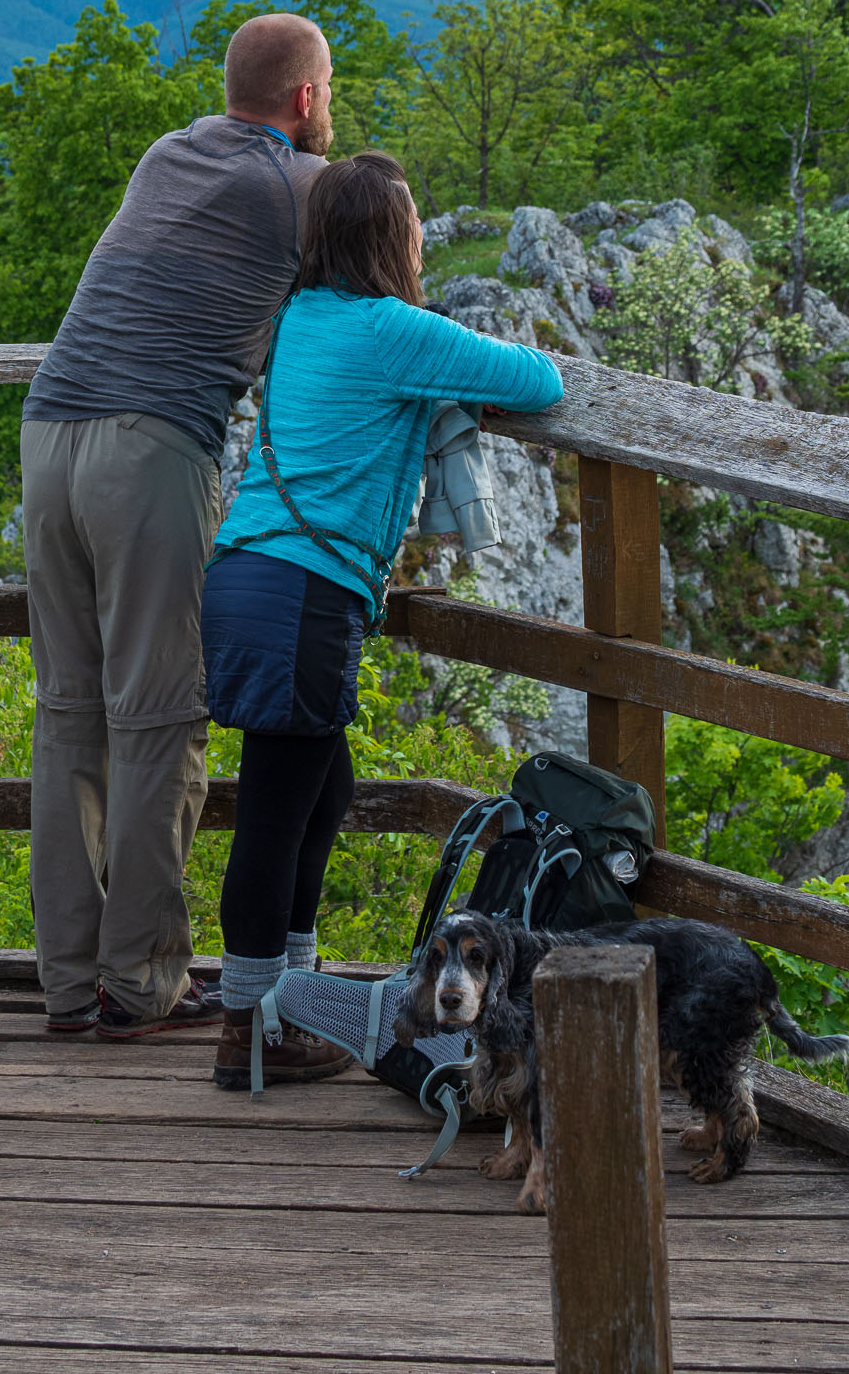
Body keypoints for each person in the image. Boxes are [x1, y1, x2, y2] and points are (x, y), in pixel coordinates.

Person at [201, 151, 565, 1088]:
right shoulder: (391, 330)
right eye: (411, 224)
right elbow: (538, 379)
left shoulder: (303, 316)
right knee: (278, 816)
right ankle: (250, 1031)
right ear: (390, 239)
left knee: (320, 795)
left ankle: (293, 1004)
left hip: (252, 573)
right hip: (301, 593)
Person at [20, 12, 333, 1039]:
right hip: (149, 449)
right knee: (158, 719)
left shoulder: (167, 153)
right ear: (304, 100)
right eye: (324, 94)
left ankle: (70, 985)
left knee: (70, 712)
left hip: (49, 433)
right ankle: (143, 983)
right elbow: (373, 293)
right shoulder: (298, 187)